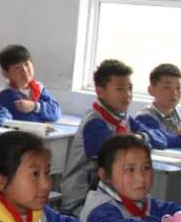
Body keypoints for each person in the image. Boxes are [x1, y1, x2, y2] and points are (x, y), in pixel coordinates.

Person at [61, 59, 166, 214]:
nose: (127, 95)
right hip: (82, 200)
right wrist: (138, 140)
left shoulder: (123, 118)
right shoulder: (94, 124)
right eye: (120, 89)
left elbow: (161, 138)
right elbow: (120, 156)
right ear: (100, 92)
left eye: (130, 88)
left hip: (112, 196)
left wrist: (140, 138)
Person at [80, 135, 181, 222]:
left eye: (146, 168)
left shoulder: (143, 203)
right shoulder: (99, 208)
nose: (140, 178)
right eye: (130, 170)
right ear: (105, 175)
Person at [0, 44, 62, 123]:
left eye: (26, 64)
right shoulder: (5, 93)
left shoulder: (38, 87)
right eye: (17, 67)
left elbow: (56, 112)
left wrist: (34, 106)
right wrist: (45, 112)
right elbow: (28, 120)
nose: (25, 70)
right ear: (6, 73)